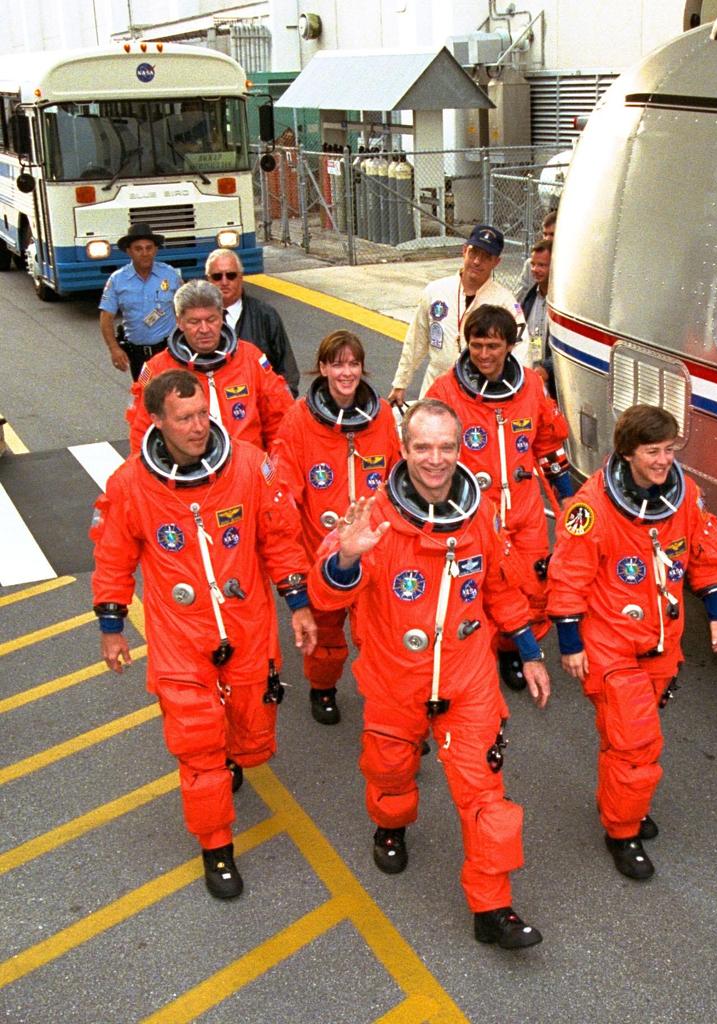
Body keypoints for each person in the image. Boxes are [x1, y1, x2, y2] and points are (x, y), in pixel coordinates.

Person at [309, 400, 551, 949]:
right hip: (396, 679)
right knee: (390, 771)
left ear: (460, 449)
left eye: (446, 446)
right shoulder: (372, 518)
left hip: (467, 680)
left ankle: (493, 908)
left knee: (486, 795)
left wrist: (531, 651)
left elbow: (501, 588)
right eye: (423, 447)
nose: (435, 459)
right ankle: (391, 825)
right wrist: (345, 559)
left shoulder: (480, 513)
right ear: (404, 449)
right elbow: (325, 595)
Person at [91, 369, 317, 899]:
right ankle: (216, 847)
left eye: (202, 415)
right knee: (197, 744)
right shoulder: (130, 485)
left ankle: (230, 755)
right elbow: (114, 558)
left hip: (247, 627)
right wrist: (112, 627)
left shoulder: (249, 465)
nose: (198, 427)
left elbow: (280, 539)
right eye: (184, 418)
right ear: (157, 421)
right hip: (179, 638)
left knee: (252, 733)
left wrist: (299, 603)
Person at [547, 405, 717, 881]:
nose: (664, 460)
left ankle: (621, 800)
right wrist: (570, 642)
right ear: (628, 453)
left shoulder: (685, 495)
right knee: (635, 741)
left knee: (623, 738)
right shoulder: (591, 509)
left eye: (669, 450)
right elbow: (568, 576)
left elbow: (706, 550)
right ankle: (622, 831)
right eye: (653, 451)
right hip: (609, 644)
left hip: (661, 642)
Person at [427, 304, 573, 691]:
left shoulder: (531, 386)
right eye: (476, 345)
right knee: (473, 588)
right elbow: (427, 454)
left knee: (532, 586)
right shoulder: (445, 391)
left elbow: (548, 446)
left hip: (525, 511)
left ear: (509, 345)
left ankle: (513, 650)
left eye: (493, 345)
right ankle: (470, 658)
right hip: (474, 515)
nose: (484, 354)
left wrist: (566, 497)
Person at [271, 330, 402, 726]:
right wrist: (291, 560)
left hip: (372, 552)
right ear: (323, 368)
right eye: (338, 364)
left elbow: (397, 479)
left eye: (354, 364)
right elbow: (283, 492)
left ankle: (389, 704)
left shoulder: (381, 415)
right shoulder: (298, 419)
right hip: (321, 552)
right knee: (325, 635)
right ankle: (323, 687)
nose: (347, 372)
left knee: (378, 635)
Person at [127, 280, 294, 453]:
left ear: (221, 317)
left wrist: (274, 465)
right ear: (179, 322)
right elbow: (141, 435)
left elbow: (280, 421)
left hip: (248, 465)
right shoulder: (157, 369)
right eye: (194, 322)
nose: (204, 329)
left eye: (211, 319)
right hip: (188, 468)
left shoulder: (251, 358)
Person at [388, 225, 527, 405]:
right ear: (464, 251)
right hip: (436, 386)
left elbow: (521, 351)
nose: (477, 261)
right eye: (473, 252)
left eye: (486, 257)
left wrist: (515, 394)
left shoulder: (505, 302)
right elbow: (416, 339)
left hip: (480, 393)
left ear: (496, 262)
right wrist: (400, 382)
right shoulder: (435, 291)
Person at [206, 248, 301, 395]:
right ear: (208, 280)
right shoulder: (198, 322)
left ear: (241, 277)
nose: (224, 282)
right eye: (217, 276)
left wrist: (283, 401)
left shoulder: (265, 315)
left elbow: (287, 369)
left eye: (231, 275)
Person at [98, 223, 184, 379]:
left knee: (173, 390)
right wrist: (114, 349)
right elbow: (106, 317)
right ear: (129, 251)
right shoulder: (117, 280)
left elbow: (187, 307)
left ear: (155, 250)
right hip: (138, 356)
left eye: (149, 248)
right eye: (138, 249)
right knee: (144, 391)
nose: (144, 253)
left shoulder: (170, 274)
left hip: (168, 352)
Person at [519, 239, 556, 396]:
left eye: (542, 265)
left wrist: (547, 368)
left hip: (554, 383)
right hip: (531, 375)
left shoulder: (561, 303)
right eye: (533, 264)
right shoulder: (529, 298)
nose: (535, 270)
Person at [514, 208, 557, 296]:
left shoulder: (570, 269)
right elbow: (517, 299)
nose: (547, 238)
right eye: (545, 234)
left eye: (552, 234)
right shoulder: (530, 265)